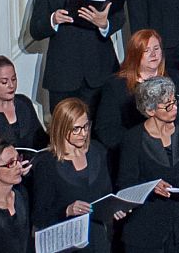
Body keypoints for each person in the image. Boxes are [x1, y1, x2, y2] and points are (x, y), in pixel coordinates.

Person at [116, 76, 179, 253]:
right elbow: (125, 184)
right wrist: (151, 187)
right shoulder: (133, 139)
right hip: (146, 227)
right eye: (167, 105)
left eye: (175, 101)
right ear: (150, 110)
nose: (174, 108)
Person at [94, 29, 179, 172]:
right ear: (135, 54)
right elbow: (106, 129)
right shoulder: (116, 85)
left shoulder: (174, 77)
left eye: (156, 48)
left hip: (173, 152)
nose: (153, 54)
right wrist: (136, 145)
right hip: (134, 156)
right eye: (146, 50)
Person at [30, 99, 116, 253]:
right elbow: (39, 216)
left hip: (97, 240)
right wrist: (67, 210)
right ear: (62, 129)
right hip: (66, 243)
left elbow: (105, 193)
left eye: (85, 127)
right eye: (76, 129)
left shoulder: (97, 151)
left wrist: (114, 207)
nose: (83, 133)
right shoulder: (47, 164)